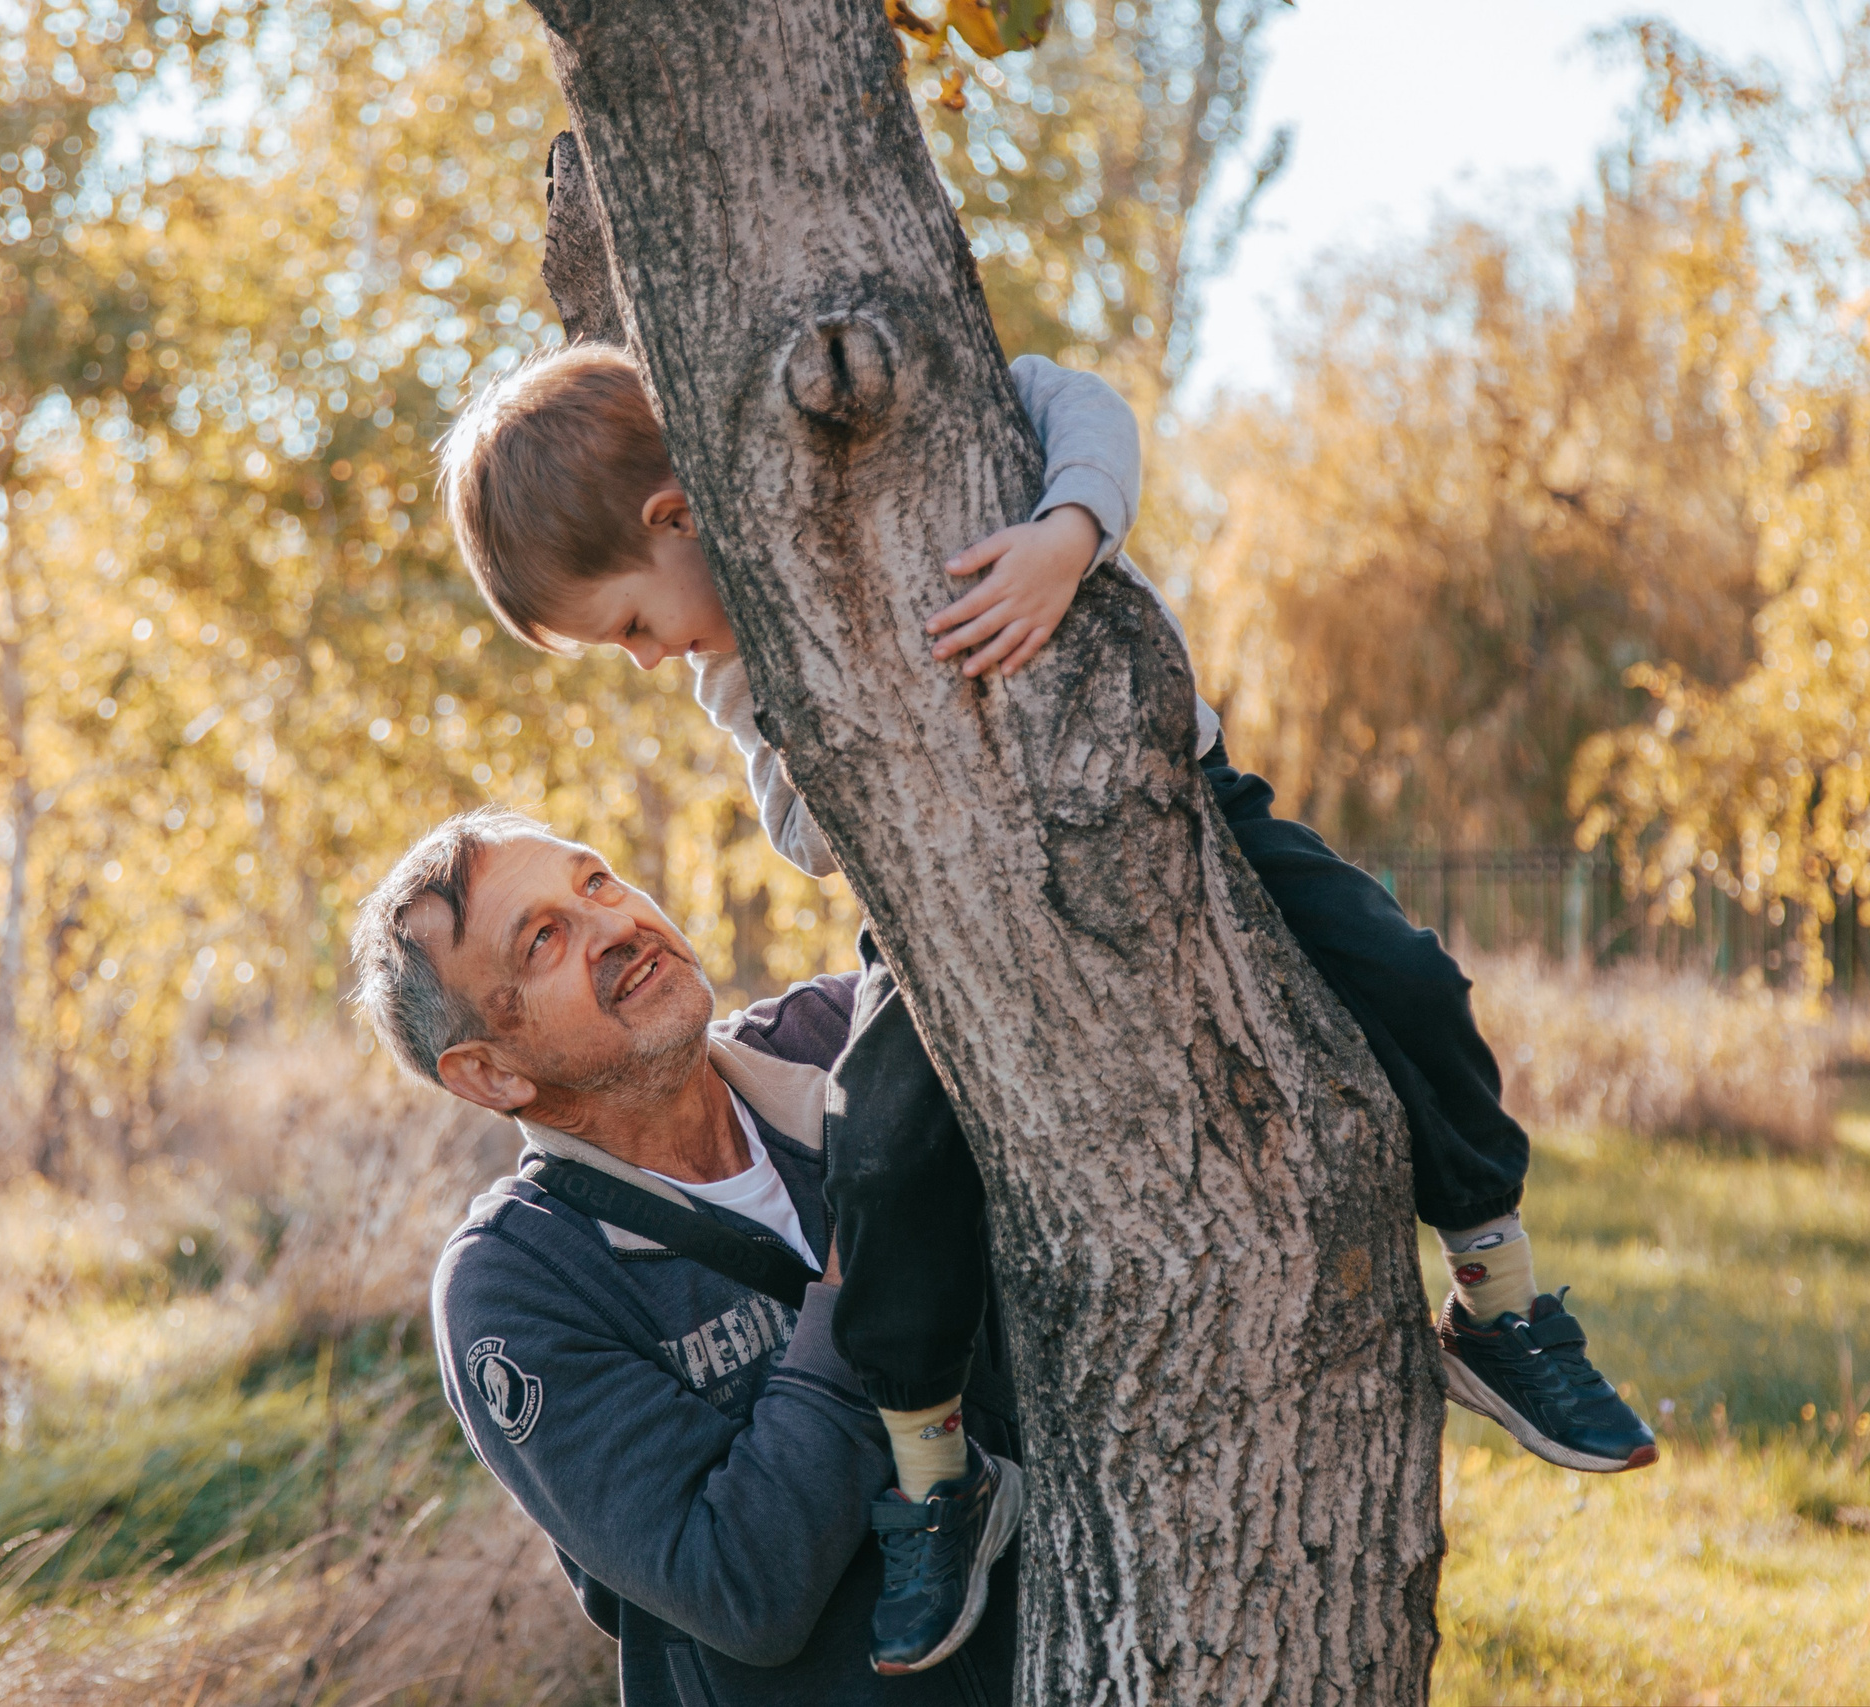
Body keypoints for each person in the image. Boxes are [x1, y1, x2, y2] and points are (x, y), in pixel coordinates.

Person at [432, 344, 1657, 1669]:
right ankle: (938, 1473)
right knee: (886, 1146)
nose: (645, 656)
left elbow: (1075, 399)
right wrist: (844, 740)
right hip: (947, 914)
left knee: (1406, 977)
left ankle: (1501, 1295)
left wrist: (1065, 539)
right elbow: (801, 826)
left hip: (1179, 816)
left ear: (675, 519)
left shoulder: (887, 442)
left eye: (625, 625)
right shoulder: (738, 663)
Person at [354, 811, 1023, 1704]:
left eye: (597, 881)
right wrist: (867, 1257)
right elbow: (744, 1588)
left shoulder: (841, 1038)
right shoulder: (516, 1284)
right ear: (491, 1074)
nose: (616, 925)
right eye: (545, 940)